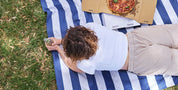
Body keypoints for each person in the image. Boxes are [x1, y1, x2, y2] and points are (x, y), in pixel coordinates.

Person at [45, 22, 178, 76]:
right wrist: (61, 40)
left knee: (173, 61)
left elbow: (72, 64)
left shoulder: (85, 62)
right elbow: (80, 39)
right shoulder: (93, 27)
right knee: (172, 34)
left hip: (138, 60)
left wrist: (58, 48)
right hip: (137, 38)